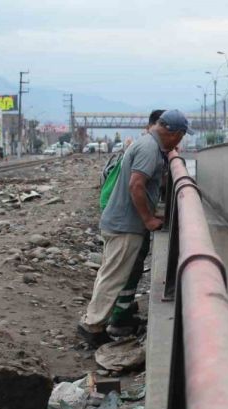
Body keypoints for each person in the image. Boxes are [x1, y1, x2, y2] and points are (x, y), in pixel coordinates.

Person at [78, 109, 193, 344]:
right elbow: (136, 185)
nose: (180, 140)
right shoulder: (149, 149)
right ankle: (92, 327)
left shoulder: (146, 144)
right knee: (114, 278)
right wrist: (149, 219)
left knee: (109, 274)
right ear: (173, 133)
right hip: (125, 226)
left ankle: (94, 321)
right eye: (181, 135)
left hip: (119, 222)